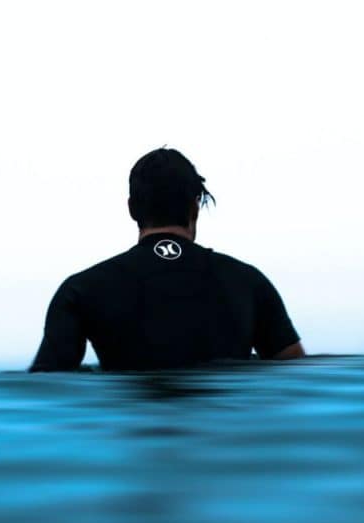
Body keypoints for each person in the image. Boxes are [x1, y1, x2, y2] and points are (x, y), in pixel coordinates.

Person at [29, 147, 305, 372]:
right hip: (224, 434)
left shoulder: (80, 290)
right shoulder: (248, 282)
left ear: (132, 208)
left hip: (129, 436)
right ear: (194, 207)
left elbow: (47, 391)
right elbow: (298, 378)